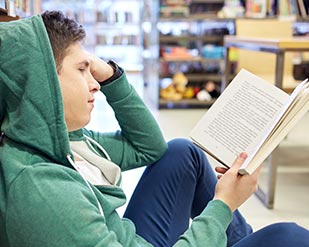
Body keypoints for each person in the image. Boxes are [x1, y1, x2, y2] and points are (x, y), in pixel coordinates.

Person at [0, 10, 308, 247]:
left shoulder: (64, 141)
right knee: (289, 238)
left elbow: (149, 147)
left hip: (129, 238)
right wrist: (223, 205)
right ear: (44, 83)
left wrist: (110, 75)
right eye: (82, 70)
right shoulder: (45, 192)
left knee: (181, 152)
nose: (95, 84)